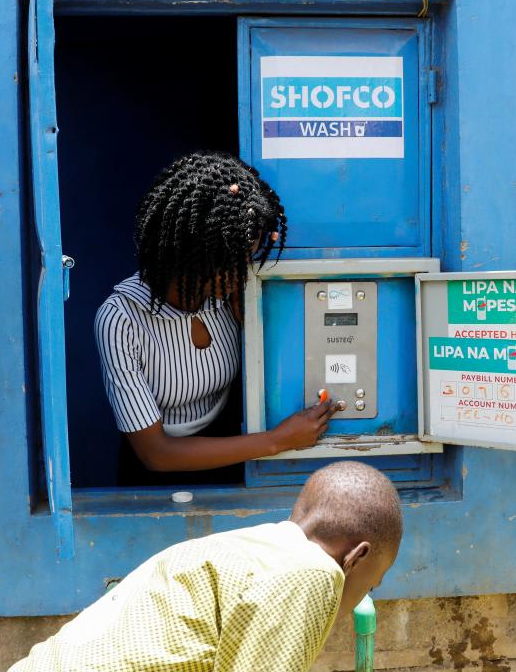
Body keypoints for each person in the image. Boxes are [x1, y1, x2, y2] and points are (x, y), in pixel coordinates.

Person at [0, 460, 402, 672]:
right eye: (372, 584)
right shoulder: (307, 573)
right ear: (357, 557)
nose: (361, 599)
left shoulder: (239, 550)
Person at [94, 151, 335, 485]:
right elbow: (155, 453)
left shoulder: (226, 298)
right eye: (230, 263)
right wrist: (279, 440)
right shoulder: (121, 319)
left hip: (235, 461)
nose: (243, 276)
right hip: (161, 480)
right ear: (190, 255)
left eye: (247, 260)